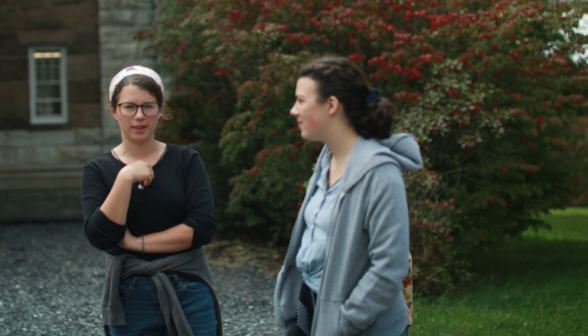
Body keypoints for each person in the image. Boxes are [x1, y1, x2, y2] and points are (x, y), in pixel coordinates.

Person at [273, 56, 422, 336]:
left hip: (357, 324)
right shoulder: (328, 158)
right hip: (314, 302)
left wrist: (347, 321)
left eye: (301, 100)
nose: (293, 110)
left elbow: (390, 264)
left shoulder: (380, 172)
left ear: (331, 105)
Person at [81, 65, 221, 336]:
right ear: (114, 111)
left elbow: (203, 227)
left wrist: (136, 243)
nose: (139, 116)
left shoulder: (186, 160)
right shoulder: (97, 170)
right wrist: (124, 179)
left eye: (148, 106)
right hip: (129, 295)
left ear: (161, 109)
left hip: (189, 289)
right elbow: (100, 236)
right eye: (129, 107)